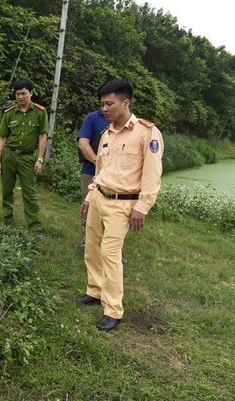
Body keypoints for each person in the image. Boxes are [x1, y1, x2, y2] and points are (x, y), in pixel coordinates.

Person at [76, 79, 164, 331]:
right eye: (102, 104)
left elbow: (152, 173)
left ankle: (113, 309)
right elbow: (101, 170)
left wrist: (142, 207)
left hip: (122, 204)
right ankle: (94, 290)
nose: (104, 109)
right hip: (100, 197)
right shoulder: (106, 134)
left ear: (126, 103)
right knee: (91, 248)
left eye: (109, 104)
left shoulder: (146, 132)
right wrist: (90, 195)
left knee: (110, 254)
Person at [0, 79, 48, 238]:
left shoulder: (40, 112)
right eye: (17, 94)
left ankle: (34, 226)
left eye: (24, 93)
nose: (20, 96)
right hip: (9, 156)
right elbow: (2, 138)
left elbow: (42, 136)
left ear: (31, 93)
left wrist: (39, 159)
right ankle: (7, 218)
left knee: (29, 192)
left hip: (27, 158)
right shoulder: (10, 113)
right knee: (7, 190)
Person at [76, 108, 110, 255]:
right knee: (88, 207)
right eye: (103, 102)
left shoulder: (126, 122)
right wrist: (99, 163)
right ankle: (86, 244)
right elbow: (83, 144)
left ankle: (110, 249)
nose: (106, 107)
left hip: (116, 177)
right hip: (91, 171)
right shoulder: (93, 118)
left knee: (112, 211)